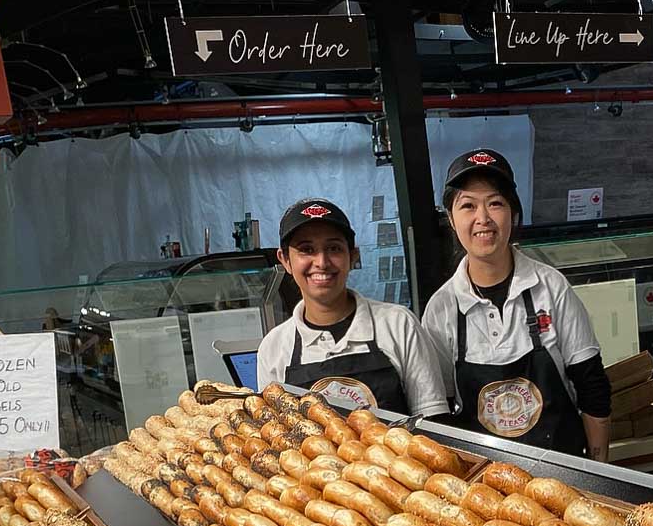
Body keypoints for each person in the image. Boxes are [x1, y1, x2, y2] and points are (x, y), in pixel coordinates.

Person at [422, 150, 612, 460]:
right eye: (468, 205)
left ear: (514, 212)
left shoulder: (551, 287)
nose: (482, 218)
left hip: (563, 469)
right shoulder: (441, 308)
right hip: (485, 484)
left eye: (495, 203)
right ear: (451, 220)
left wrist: (599, 469)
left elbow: (592, 387)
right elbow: (439, 411)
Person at [257, 198, 448, 418]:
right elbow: (277, 435)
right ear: (285, 261)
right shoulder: (273, 348)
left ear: (353, 256)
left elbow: (433, 423)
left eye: (334, 248)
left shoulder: (399, 325)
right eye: (306, 249)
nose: (321, 261)